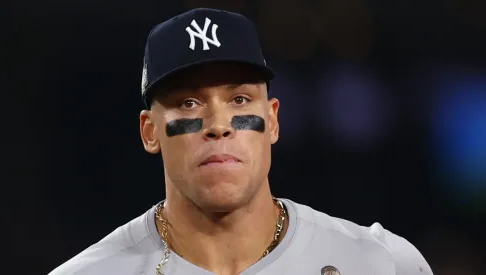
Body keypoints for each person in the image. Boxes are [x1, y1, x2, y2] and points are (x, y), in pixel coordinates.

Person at [49, 8, 434, 275]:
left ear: (272, 120)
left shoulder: (381, 263)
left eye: (239, 99)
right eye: (188, 102)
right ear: (150, 131)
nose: (218, 125)